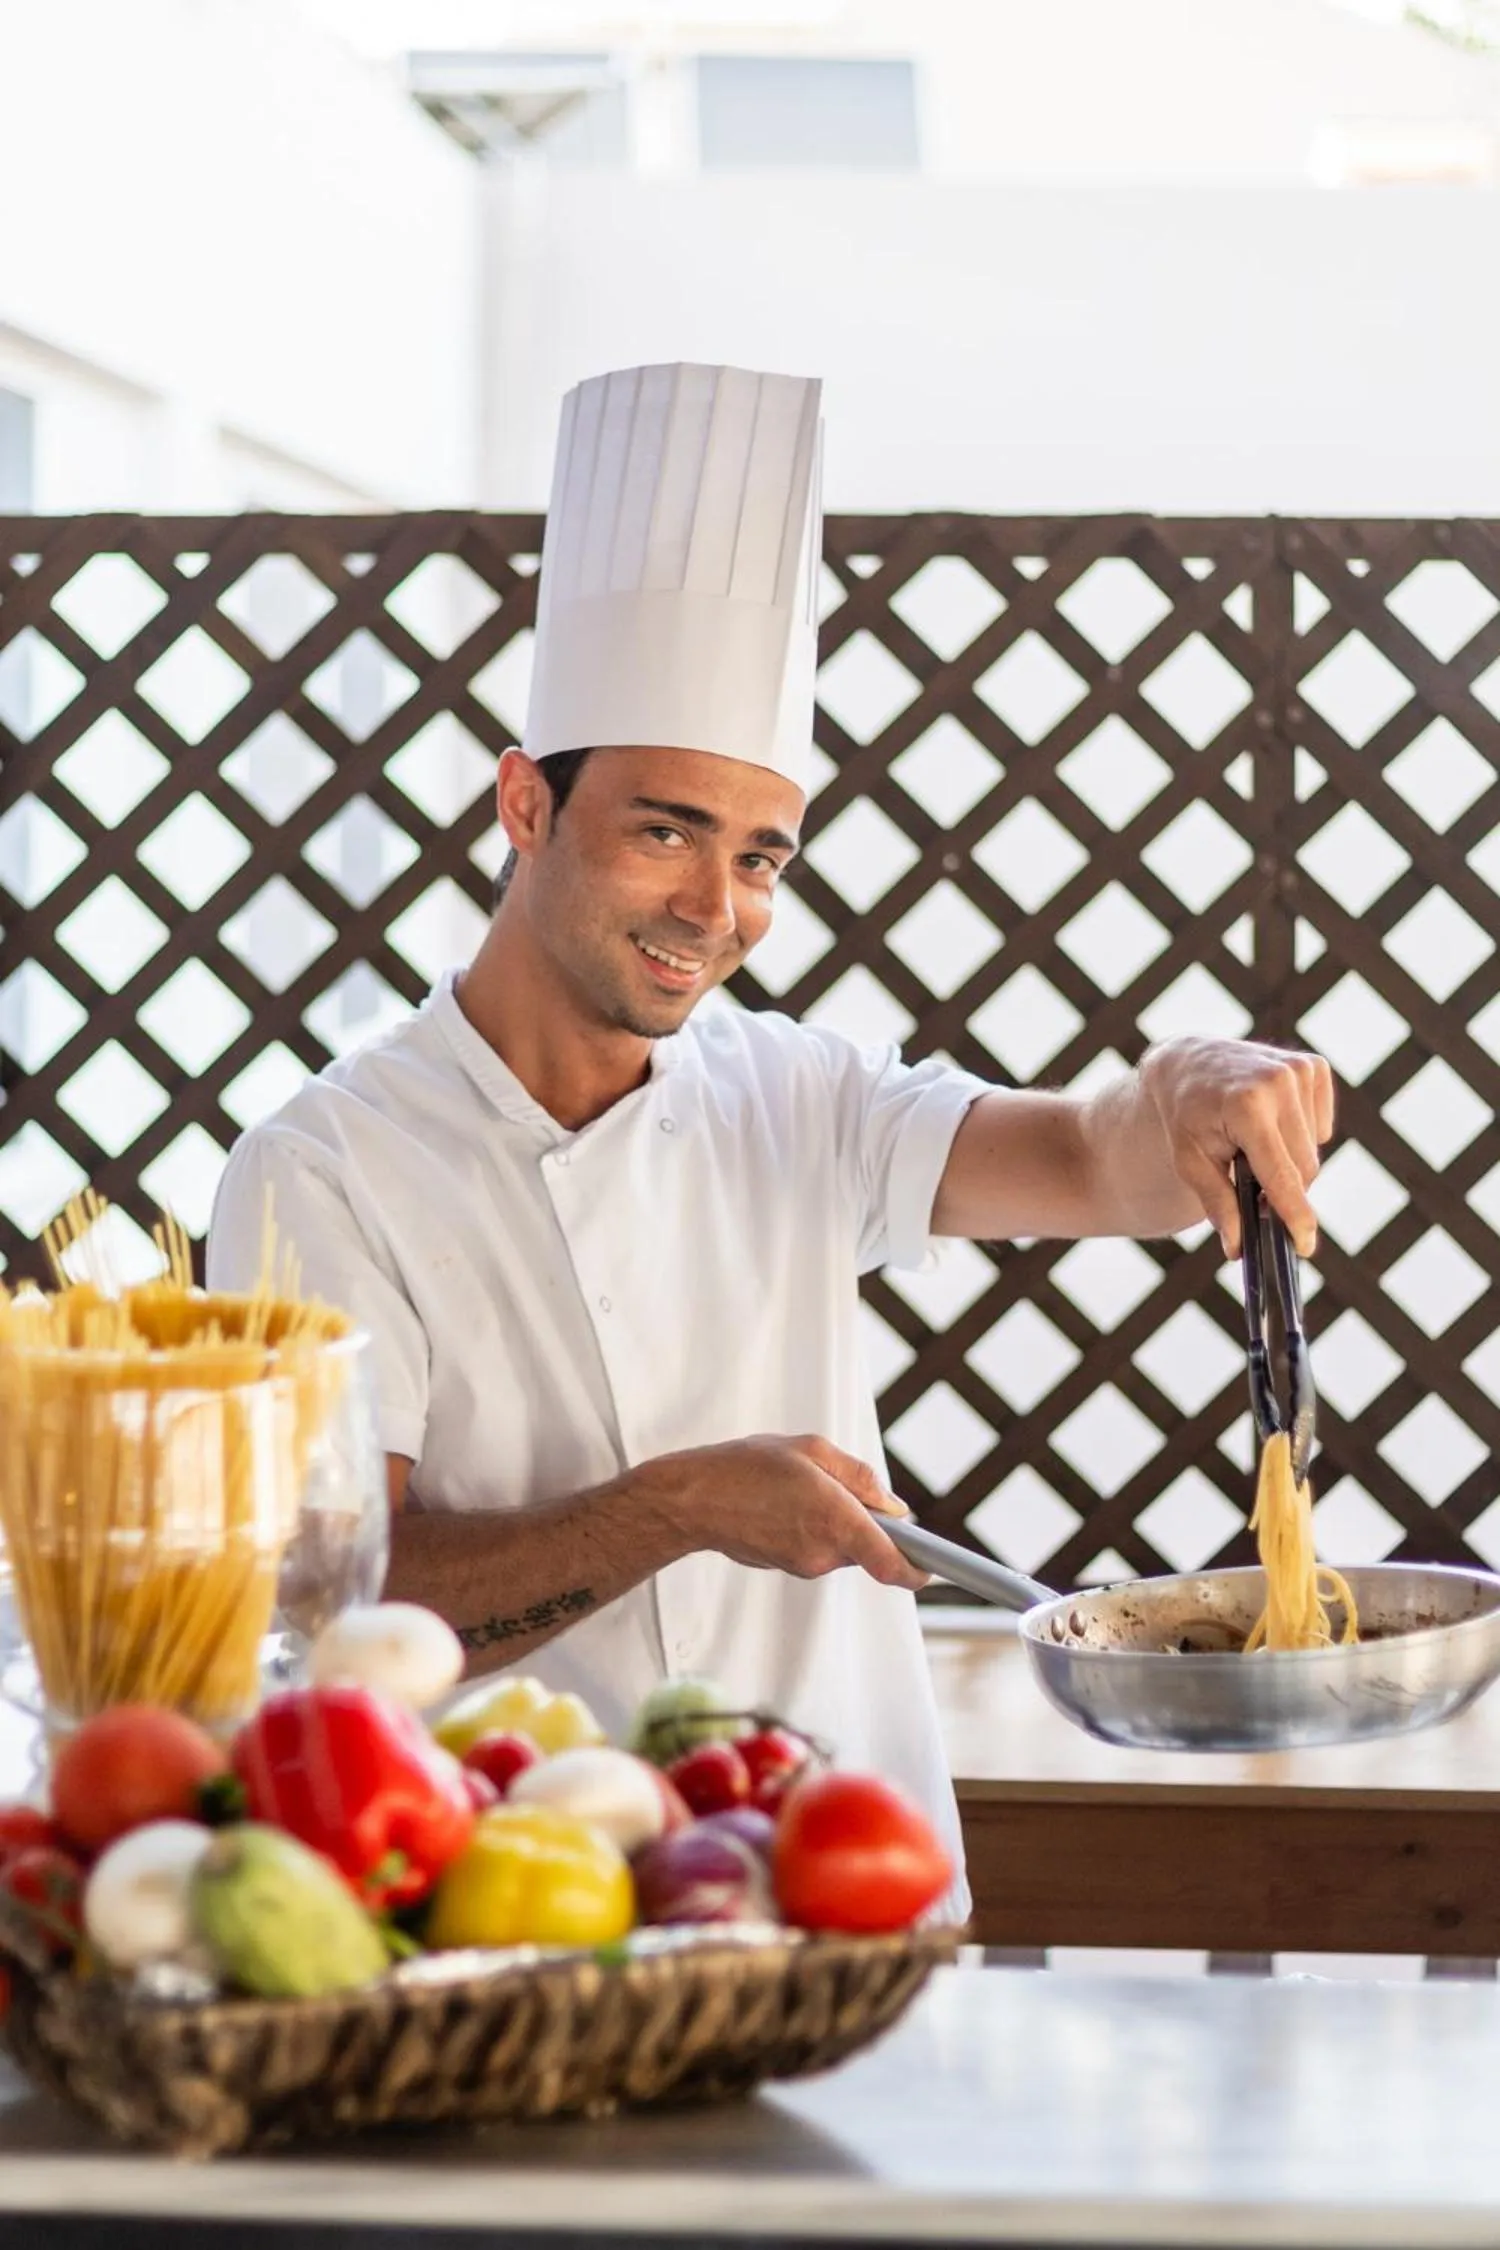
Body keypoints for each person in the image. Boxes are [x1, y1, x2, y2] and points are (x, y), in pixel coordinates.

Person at [208, 362, 1333, 1917]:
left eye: (759, 857)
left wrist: (1195, 1078)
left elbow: (1093, 1157)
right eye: (663, 831)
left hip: (854, 1899)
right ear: (525, 804)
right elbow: (342, 1606)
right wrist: (677, 1506)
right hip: (528, 1921)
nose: (716, 910)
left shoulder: (798, 1091)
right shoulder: (321, 1167)